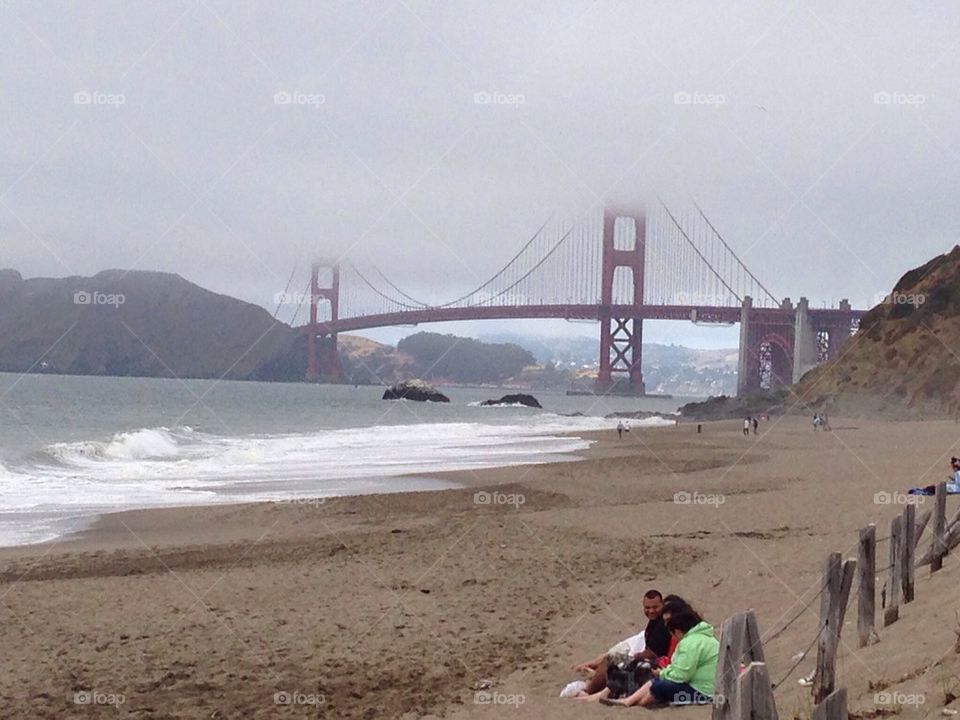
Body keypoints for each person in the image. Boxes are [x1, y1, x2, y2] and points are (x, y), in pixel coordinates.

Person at [606, 609, 719, 707]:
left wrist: (662, 674)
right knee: (657, 682)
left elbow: (682, 675)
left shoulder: (690, 643)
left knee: (659, 685)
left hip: (702, 692)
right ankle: (629, 702)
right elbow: (680, 668)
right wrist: (664, 673)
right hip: (710, 689)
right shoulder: (706, 638)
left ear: (678, 631)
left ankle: (635, 703)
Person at [571, 590, 670, 699]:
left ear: (662, 605)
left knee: (611, 659)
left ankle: (589, 690)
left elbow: (653, 653)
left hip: (654, 664)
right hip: (648, 659)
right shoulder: (656, 621)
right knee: (611, 658)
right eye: (647, 608)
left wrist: (637, 656)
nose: (651, 611)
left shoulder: (662, 625)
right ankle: (593, 683)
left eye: (655, 607)